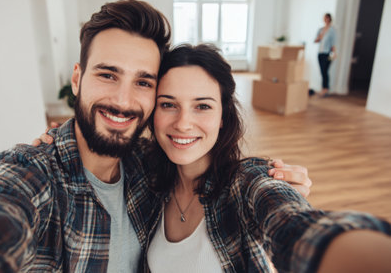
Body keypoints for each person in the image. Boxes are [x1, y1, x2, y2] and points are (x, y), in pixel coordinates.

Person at [0, 0, 311, 272]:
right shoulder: (32, 173)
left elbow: (293, 224)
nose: (122, 101)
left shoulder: (147, 167)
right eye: (107, 74)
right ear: (76, 79)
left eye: (143, 82)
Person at [143, 44, 391, 272]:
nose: (183, 124)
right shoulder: (145, 175)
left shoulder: (246, 182)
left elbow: (297, 227)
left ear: (223, 117)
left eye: (203, 106)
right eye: (168, 104)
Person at [314, 13, 337, 97]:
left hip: (328, 53)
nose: (325, 20)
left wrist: (334, 53)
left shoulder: (332, 30)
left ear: (329, 19)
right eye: (324, 18)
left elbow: (334, 43)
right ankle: (324, 88)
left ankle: (325, 89)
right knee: (322, 71)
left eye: (327, 18)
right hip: (320, 53)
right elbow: (316, 40)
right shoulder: (320, 29)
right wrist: (320, 36)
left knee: (325, 71)